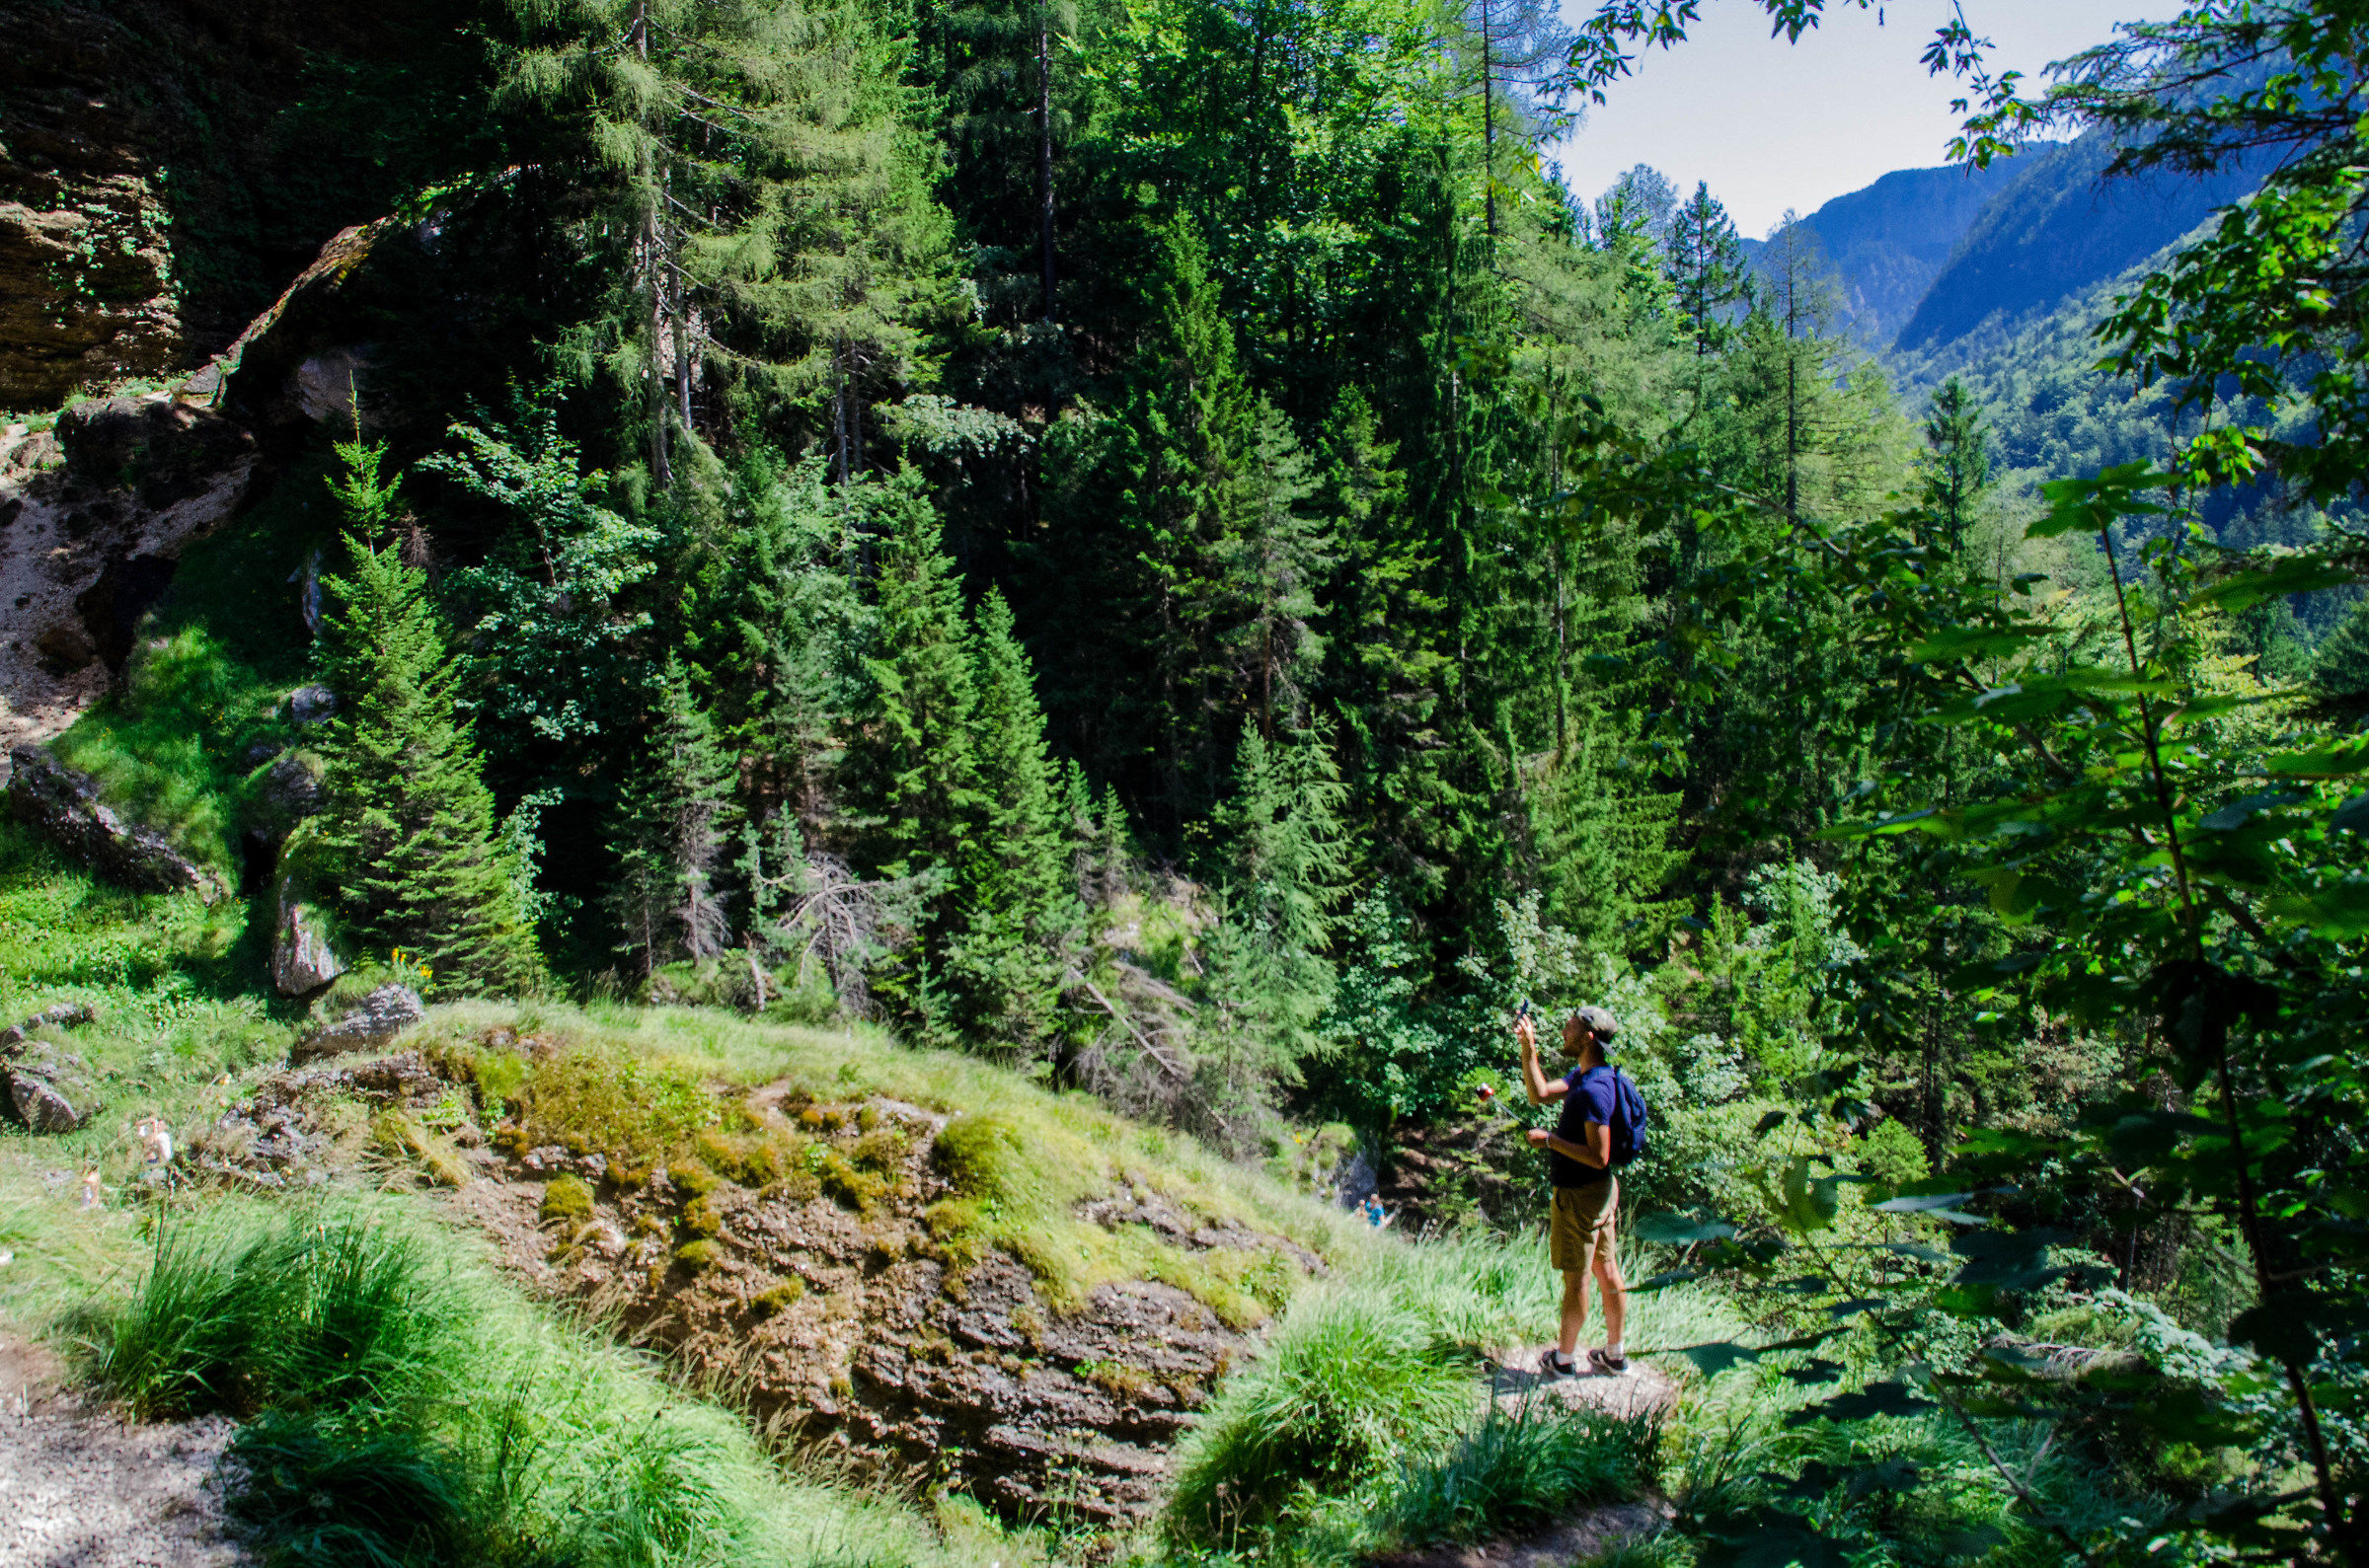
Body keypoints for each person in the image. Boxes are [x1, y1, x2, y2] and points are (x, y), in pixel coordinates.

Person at [1515, 1005, 1628, 1377]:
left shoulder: (1594, 1090)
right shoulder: (1588, 1075)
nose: (1564, 1032)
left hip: (1581, 1195)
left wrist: (1550, 1141)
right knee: (1606, 1270)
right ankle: (1614, 1355)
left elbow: (1598, 1156)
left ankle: (1563, 1360)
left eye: (1570, 1028)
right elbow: (1541, 1094)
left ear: (1588, 1038)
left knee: (1577, 1278)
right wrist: (1528, 1047)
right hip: (1600, 1192)